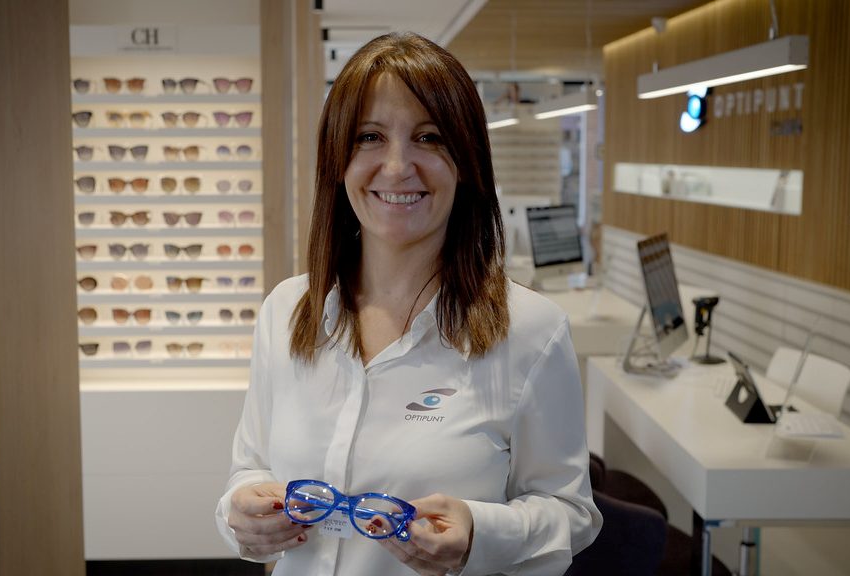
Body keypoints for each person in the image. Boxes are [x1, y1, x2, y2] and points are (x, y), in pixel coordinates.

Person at [215, 32, 602, 576]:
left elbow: (571, 513)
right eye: (369, 137)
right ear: (337, 160)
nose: (397, 167)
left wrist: (480, 534)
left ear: (465, 161)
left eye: (429, 137)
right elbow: (249, 468)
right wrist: (240, 513)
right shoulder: (287, 311)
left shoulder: (532, 332)